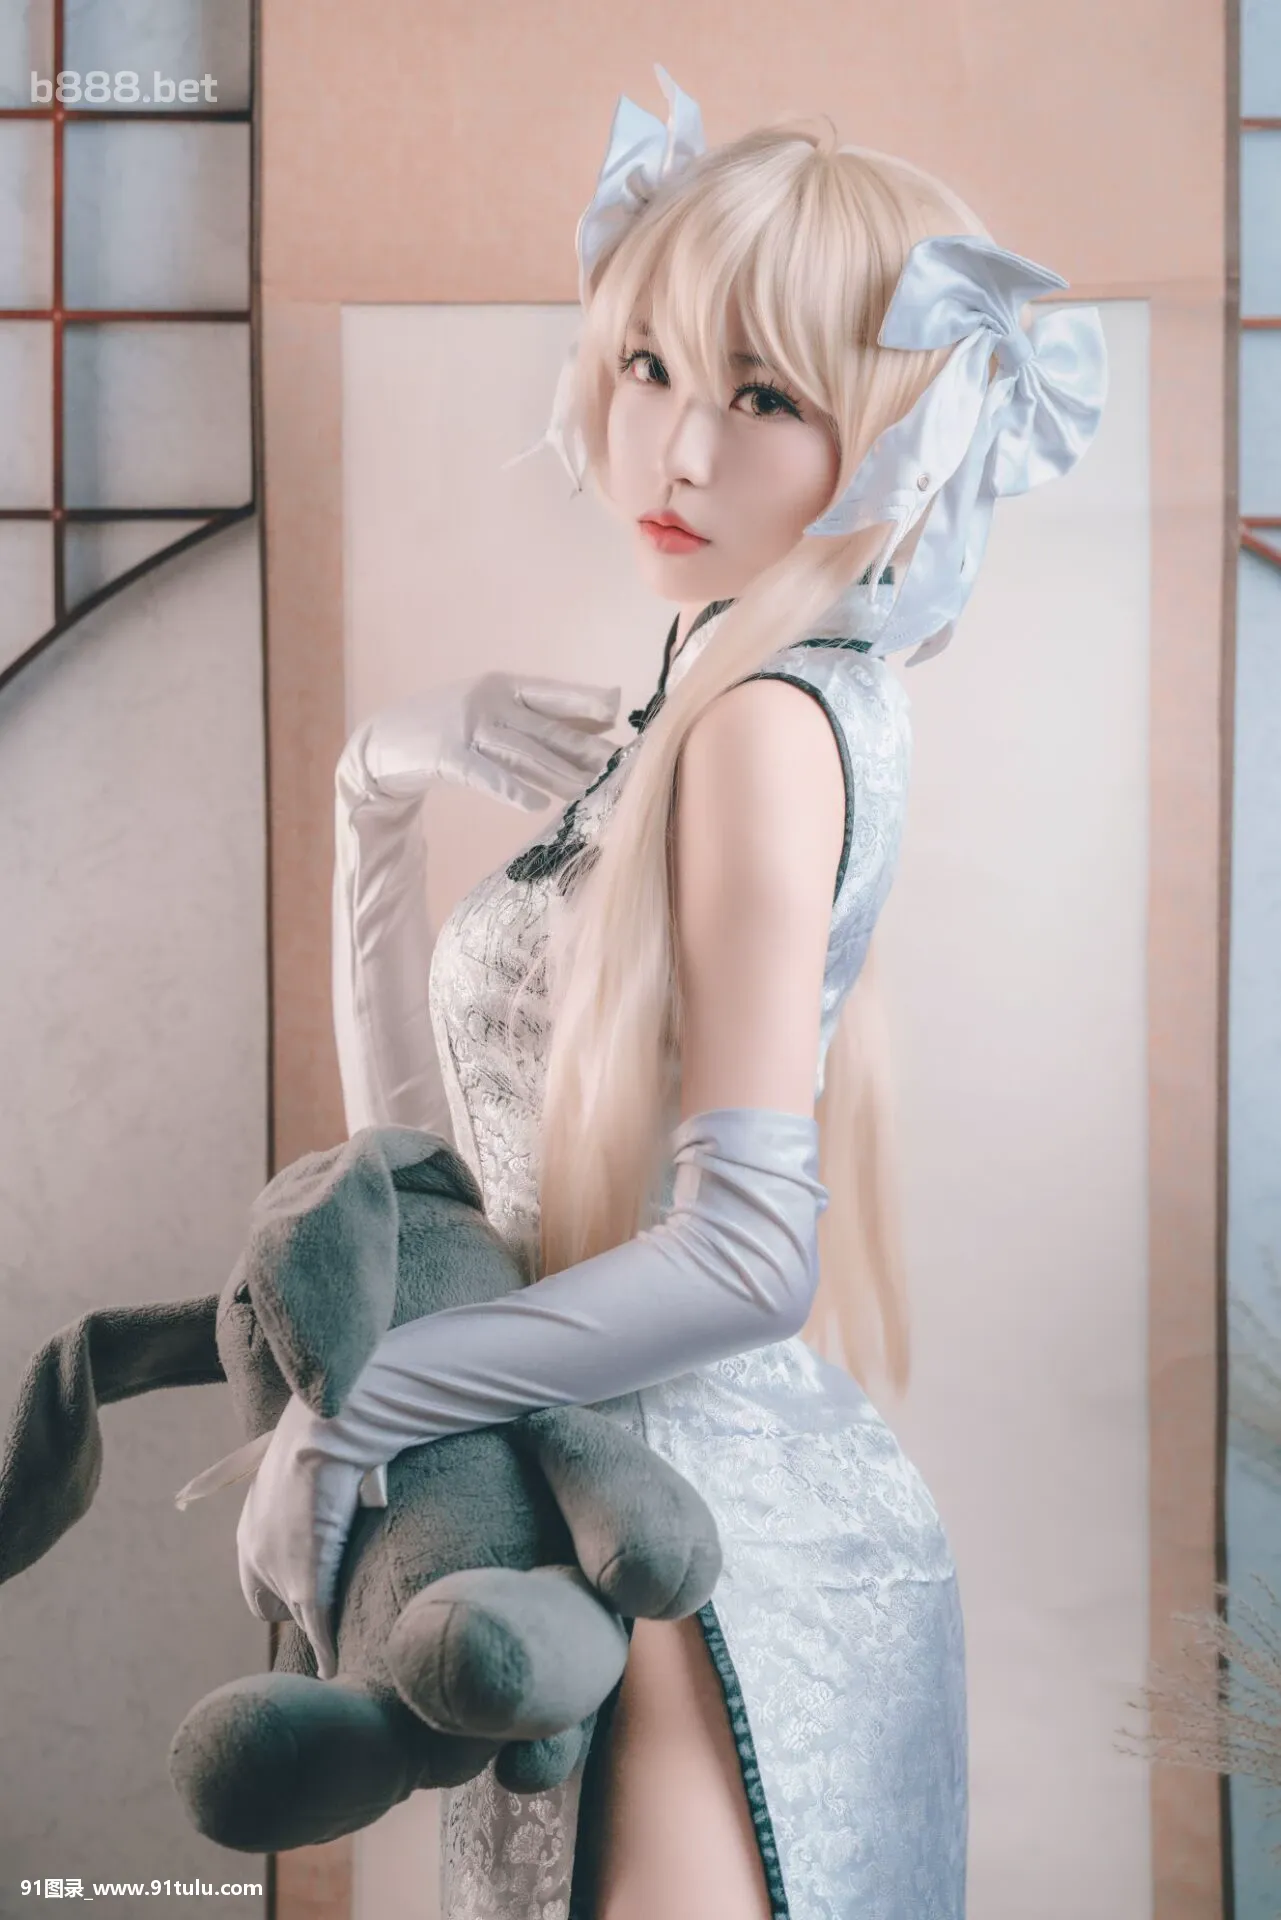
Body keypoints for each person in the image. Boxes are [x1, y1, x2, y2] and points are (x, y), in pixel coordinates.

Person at [233, 65, 1106, 1920]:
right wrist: (377, 791)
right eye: (650, 367)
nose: (679, 454)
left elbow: (749, 1260)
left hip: (714, 1574)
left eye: (764, 397)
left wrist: (368, 1403)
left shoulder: (766, 727)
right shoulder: (712, 702)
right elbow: (445, 1186)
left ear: (888, 436)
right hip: (597, 1516)